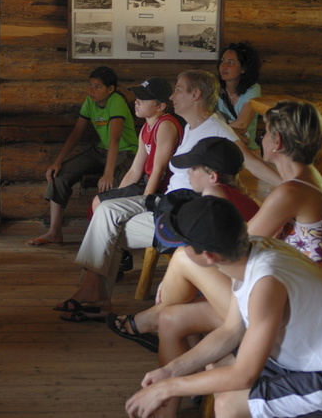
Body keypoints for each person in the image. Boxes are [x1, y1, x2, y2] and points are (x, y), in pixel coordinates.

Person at [125, 196, 322, 418]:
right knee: (219, 366)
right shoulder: (253, 248)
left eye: (185, 246)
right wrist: (170, 372)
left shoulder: (265, 282)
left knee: (229, 405)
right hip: (317, 360)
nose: (181, 252)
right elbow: (231, 331)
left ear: (209, 256)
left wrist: (169, 388)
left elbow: (243, 374)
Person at [108, 100, 322, 350]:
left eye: (264, 134)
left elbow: (239, 245)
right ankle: (168, 338)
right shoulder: (307, 181)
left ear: (278, 142)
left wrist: (186, 274)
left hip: (290, 300)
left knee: (186, 258)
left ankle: (154, 317)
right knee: (171, 318)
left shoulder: (292, 192)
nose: (260, 140)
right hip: (283, 285)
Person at [54, 70, 280, 321]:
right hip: (166, 202)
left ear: (196, 95)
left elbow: (250, 162)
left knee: (107, 221)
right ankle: (95, 294)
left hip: (181, 209)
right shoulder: (193, 127)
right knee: (105, 213)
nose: (173, 96)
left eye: (179, 90)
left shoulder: (216, 128)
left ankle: (96, 296)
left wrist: (290, 182)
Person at [106, 137, 260, 350]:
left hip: (246, 289)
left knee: (183, 264)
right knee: (183, 286)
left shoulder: (213, 196)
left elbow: (212, 256)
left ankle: (151, 322)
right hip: (246, 279)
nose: (188, 173)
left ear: (212, 176)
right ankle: (167, 333)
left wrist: (170, 283)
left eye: (194, 168)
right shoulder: (241, 196)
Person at [27, 66, 138, 246]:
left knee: (115, 185)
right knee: (60, 176)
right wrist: (57, 162)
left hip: (125, 152)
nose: (91, 90)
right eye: (90, 85)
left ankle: (111, 238)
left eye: (97, 87)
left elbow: (115, 139)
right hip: (101, 150)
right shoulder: (90, 101)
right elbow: (77, 133)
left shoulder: (116, 101)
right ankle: (54, 232)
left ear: (110, 89)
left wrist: (108, 173)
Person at [90, 77, 181, 214]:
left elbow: (159, 170)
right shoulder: (146, 127)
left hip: (163, 189)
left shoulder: (165, 125)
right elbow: (135, 170)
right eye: (138, 98)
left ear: (160, 106)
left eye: (143, 100)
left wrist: (145, 202)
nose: (136, 102)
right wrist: (120, 193)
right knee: (101, 201)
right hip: (148, 182)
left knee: (101, 204)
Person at [216, 42, 261, 149]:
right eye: (222, 61)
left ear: (243, 68)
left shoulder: (253, 89)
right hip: (221, 148)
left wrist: (217, 128)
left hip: (247, 150)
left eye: (230, 62)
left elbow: (242, 124)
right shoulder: (214, 88)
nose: (223, 66)